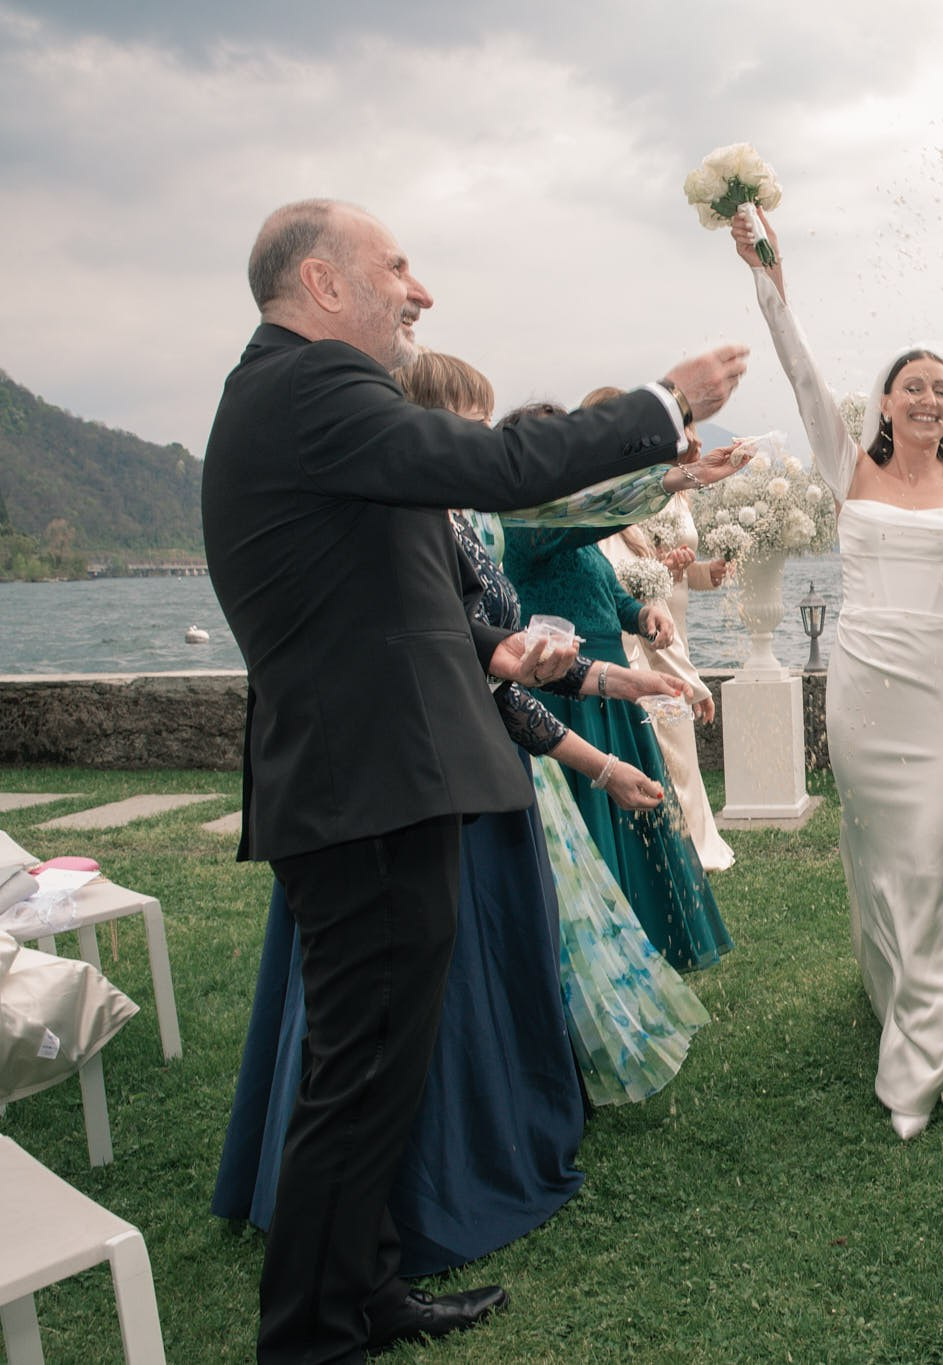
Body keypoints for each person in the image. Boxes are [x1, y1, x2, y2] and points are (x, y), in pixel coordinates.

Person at [202, 197, 747, 1362]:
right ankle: (309, 1336)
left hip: (381, 775)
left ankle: (366, 1289)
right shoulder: (309, 390)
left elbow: (371, 609)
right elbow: (500, 465)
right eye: (397, 267)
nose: (421, 290)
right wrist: (662, 405)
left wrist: (493, 653)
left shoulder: (295, 401)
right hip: (365, 789)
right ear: (324, 284)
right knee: (357, 1077)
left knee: (385, 1065)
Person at [734, 209, 943, 1141]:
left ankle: (921, 1057)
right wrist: (770, 278)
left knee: (938, 850)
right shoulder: (847, 465)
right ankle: (901, 985)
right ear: (888, 399)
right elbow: (799, 373)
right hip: (864, 690)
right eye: (915, 386)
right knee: (881, 856)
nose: (932, 399)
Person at [499, 402, 735, 982]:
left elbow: (612, 597)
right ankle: (595, 964)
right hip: (566, 697)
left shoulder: (575, 536)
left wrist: (645, 612)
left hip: (615, 694)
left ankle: (645, 949)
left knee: (638, 826)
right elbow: (596, 521)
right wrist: (683, 476)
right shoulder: (525, 526)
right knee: (596, 827)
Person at [584, 384, 738, 872]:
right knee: (663, 739)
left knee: (677, 742)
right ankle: (675, 844)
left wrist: (694, 571)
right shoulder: (620, 504)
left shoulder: (662, 489)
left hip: (665, 620)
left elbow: (655, 564)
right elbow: (636, 569)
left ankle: (689, 839)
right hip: (638, 633)